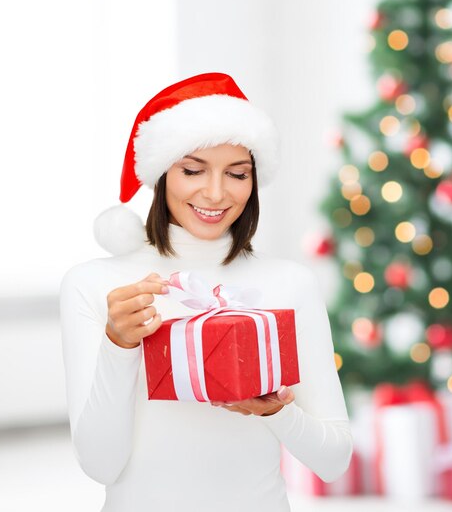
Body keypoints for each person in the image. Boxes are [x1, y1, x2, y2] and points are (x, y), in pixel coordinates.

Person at [59, 72, 353, 511]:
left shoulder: (289, 283)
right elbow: (101, 465)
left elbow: (333, 459)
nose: (215, 194)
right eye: (193, 170)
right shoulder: (96, 284)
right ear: (161, 173)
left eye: (237, 174)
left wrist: (274, 410)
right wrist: (118, 344)